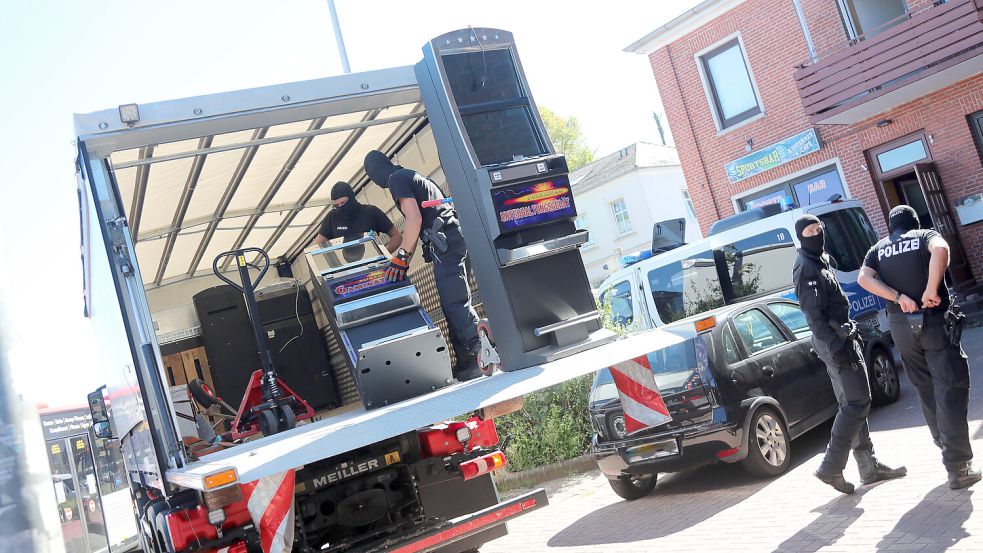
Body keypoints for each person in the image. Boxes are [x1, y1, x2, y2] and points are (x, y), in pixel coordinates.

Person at [858, 205, 979, 490]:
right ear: (913, 221)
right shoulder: (925, 235)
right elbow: (941, 251)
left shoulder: (878, 249)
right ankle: (958, 466)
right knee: (950, 386)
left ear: (890, 226)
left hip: (901, 327)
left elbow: (864, 278)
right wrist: (930, 289)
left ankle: (942, 440)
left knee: (924, 386)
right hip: (933, 321)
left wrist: (898, 297)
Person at [793, 214, 906, 494]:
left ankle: (868, 467)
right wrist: (836, 346)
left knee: (852, 403)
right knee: (857, 403)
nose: (817, 233)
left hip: (840, 337)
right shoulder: (806, 267)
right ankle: (831, 466)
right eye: (810, 230)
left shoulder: (821, 260)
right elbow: (813, 317)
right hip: (835, 342)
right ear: (800, 236)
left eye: (819, 228)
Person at [362, 150, 483, 381]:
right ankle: (467, 361)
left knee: (455, 302)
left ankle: (481, 351)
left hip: (445, 243)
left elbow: (414, 219)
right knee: (453, 303)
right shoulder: (417, 177)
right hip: (454, 239)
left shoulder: (397, 180)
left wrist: (402, 257)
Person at [314, 181, 401, 252]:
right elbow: (317, 246)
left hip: (373, 265)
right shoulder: (332, 217)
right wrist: (334, 264)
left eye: (343, 203)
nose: (340, 206)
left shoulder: (371, 212)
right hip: (346, 269)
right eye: (337, 205)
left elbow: (396, 236)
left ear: (351, 197)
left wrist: (384, 255)